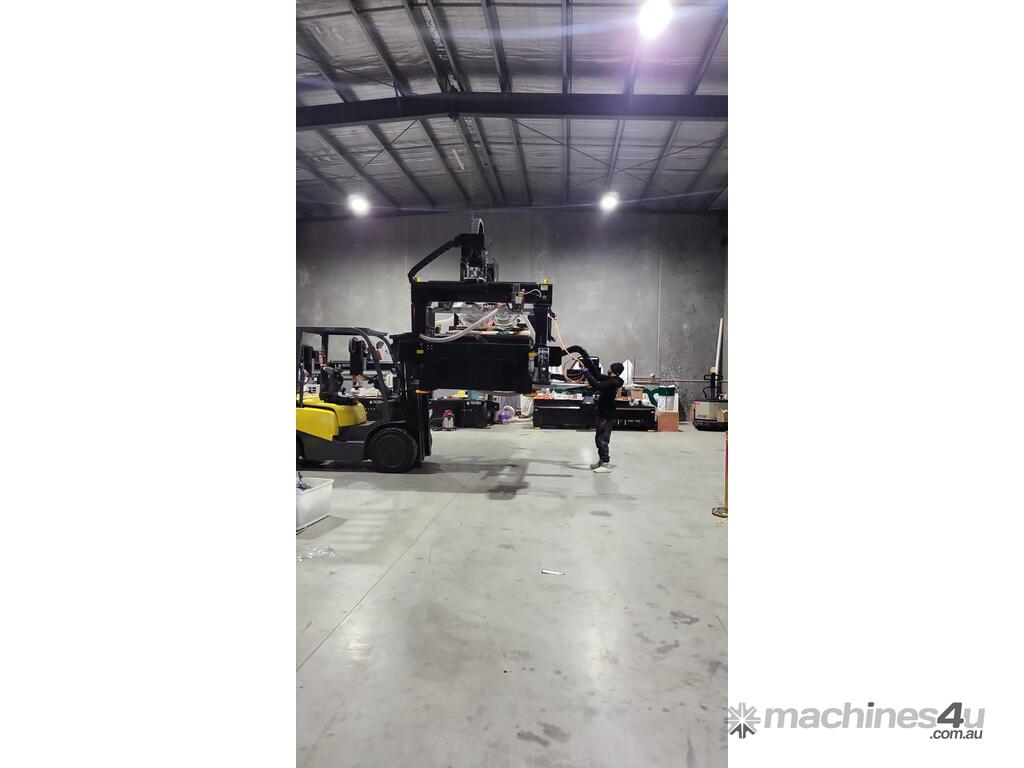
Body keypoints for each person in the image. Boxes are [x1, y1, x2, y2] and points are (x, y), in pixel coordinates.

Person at [584, 361, 625, 473]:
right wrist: (588, 364)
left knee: (602, 439)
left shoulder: (614, 382)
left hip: (607, 414)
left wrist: (586, 373)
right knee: (598, 437)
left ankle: (606, 464)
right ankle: (602, 460)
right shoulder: (611, 380)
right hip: (603, 412)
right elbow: (597, 375)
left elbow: (597, 385)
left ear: (614, 371)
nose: (608, 369)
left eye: (610, 368)